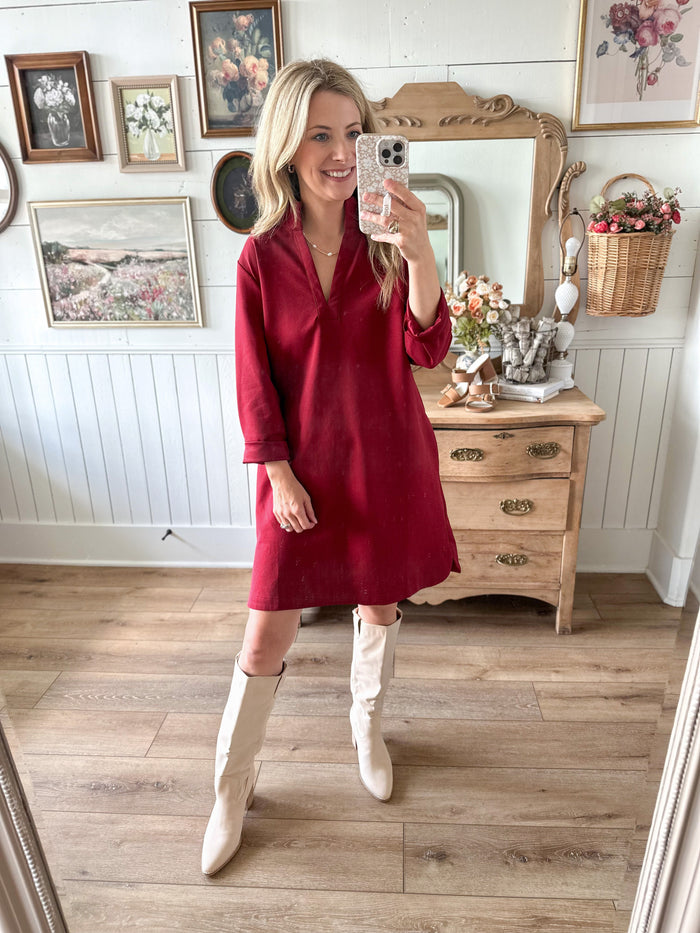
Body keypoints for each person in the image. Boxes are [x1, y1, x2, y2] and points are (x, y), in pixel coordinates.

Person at [201, 58, 459, 876]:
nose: (342, 152)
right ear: (286, 143)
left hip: (385, 461)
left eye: (354, 132)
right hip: (300, 474)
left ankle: (367, 724)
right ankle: (231, 787)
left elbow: (428, 347)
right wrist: (277, 476)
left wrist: (420, 254)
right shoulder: (258, 258)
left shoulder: (386, 238)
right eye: (321, 133)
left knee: (379, 606)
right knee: (265, 634)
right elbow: (253, 385)